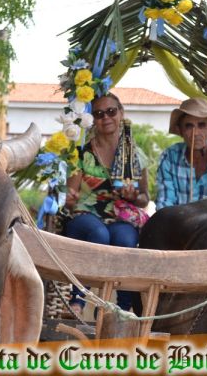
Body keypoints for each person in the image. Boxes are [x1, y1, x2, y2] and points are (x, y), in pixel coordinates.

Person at [64, 92, 149, 315]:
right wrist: (69, 199)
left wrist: (133, 197)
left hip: (120, 217)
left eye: (111, 111)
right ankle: (77, 300)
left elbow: (145, 198)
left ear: (121, 114)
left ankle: (120, 309)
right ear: (92, 120)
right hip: (85, 215)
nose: (106, 117)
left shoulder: (136, 155)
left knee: (126, 239)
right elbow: (70, 199)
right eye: (99, 114)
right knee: (99, 234)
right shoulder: (82, 154)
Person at [155, 97, 207, 210]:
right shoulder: (169, 157)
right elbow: (164, 204)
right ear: (180, 130)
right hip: (178, 224)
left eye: (202, 125)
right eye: (189, 126)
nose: (196, 133)